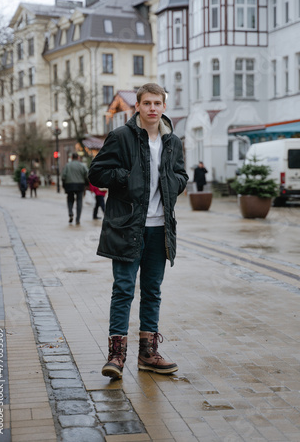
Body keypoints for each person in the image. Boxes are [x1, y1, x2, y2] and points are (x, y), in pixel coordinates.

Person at [88, 83, 188, 380]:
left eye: (158, 103)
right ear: (138, 107)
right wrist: (126, 177)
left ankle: (148, 353)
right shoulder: (121, 136)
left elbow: (181, 175)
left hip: (160, 229)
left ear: (164, 107)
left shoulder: (173, 142)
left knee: (152, 291)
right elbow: (96, 172)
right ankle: (116, 355)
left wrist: (174, 183)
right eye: (147, 103)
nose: (153, 108)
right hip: (128, 227)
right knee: (123, 289)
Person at [62, 153, 88, 225]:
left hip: (69, 184)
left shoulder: (67, 165)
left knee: (70, 199)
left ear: (72, 157)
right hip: (80, 184)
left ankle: (70, 212)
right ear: (78, 157)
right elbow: (87, 174)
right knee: (79, 201)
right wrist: (86, 184)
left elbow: (63, 176)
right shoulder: (82, 165)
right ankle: (78, 219)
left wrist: (64, 184)